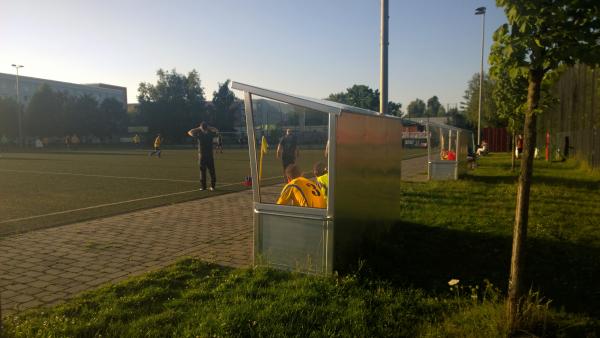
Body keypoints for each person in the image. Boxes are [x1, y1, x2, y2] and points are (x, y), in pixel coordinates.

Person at [188, 122, 219, 191]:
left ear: (201, 128)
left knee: (202, 171)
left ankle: (203, 187)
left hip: (202, 155)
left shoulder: (199, 134)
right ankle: (213, 186)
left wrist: (198, 128)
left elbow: (189, 132)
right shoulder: (210, 133)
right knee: (212, 171)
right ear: (207, 127)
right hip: (210, 155)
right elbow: (216, 130)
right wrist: (209, 127)